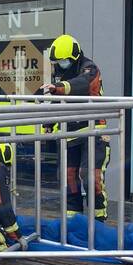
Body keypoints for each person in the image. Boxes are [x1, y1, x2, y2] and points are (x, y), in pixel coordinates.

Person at [39, 33, 109, 219]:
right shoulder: (62, 74)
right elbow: (57, 100)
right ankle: (73, 220)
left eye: (64, 61)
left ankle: (99, 219)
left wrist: (58, 86)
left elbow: (82, 85)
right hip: (71, 133)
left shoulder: (89, 68)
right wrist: (49, 123)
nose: (61, 65)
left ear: (75, 57)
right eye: (58, 62)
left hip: (94, 132)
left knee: (91, 176)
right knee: (69, 177)